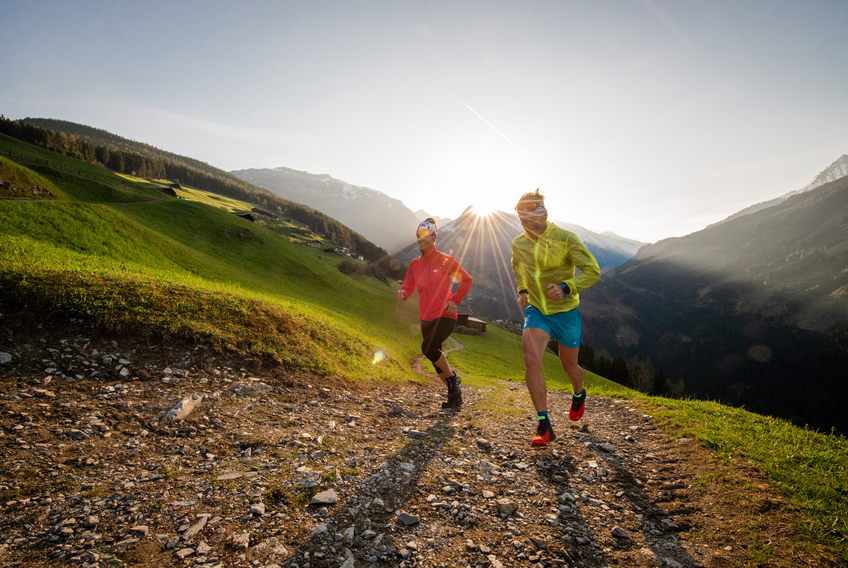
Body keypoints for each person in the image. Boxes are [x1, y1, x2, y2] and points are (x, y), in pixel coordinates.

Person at [511, 189, 601, 445]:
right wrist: (522, 289)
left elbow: (593, 270)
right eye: (524, 222)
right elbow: (516, 263)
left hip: (566, 313)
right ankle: (544, 424)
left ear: (546, 216)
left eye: (534, 221)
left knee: (569, 366)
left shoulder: (566, 238)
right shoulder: (519, 243)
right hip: (537, 310)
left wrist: (566, 287)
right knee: (531, 359)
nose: (530, 227)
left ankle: (578, 392)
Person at [398, 218, 473, 408]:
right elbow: (408, 287)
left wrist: (454, 301)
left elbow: (467, 280)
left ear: (433, 237)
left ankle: (453, 380)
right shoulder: (414, 264)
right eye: (417, 236)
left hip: (446, 315)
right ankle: (454, 397)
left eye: (424, 235)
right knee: (435, 357)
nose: (420, 239)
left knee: (428, 348)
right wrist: (403, 293)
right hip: (426, 318)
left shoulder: (446, 261)